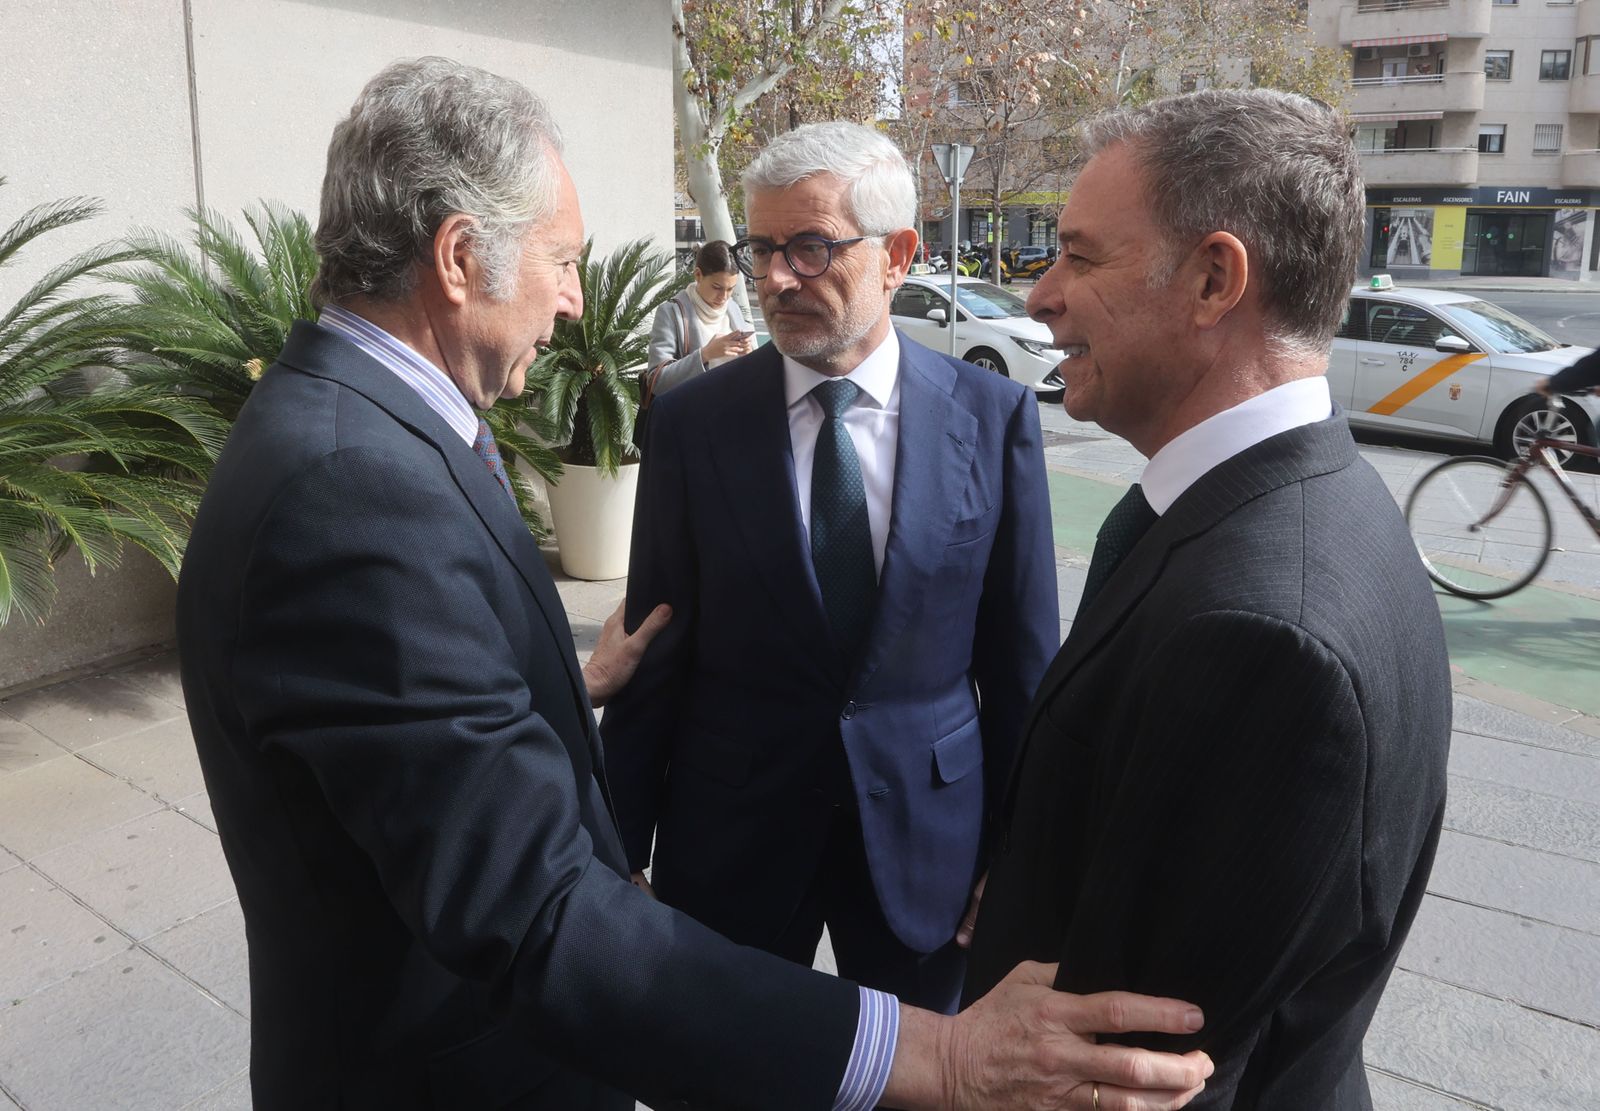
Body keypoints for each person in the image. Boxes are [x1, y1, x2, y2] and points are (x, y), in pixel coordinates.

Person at [175, 57, 1216, 1111]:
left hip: (914, 856)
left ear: (897, 255)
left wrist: (565, 685)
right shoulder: (358, 484)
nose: (577, 302)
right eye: (561, 261)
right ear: (456, 258)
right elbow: (528, 905)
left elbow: (407, 710)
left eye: (806, 246)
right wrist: (938, 1058)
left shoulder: (363, 445)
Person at [962, 88, 1454, 1109]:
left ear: (1212, 279)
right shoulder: (1285, 508)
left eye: (1080, 257)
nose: (1038, 296)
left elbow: (1127, 1069)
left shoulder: (1262, 631)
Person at [601, 121, 1059, 1016]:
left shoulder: (992, 417)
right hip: (732, 835)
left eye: (810, 247)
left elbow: (1020, 667)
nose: (774, 279)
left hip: (931, 843)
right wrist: (614, 849)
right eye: (762, 248)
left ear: (898, 255)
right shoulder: (694, 424)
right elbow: (652, 643)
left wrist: (1019, 856)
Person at [645, 240, 755, 400]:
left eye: (730, 289)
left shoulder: (732, 308)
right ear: (698, 275)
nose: (724, 297)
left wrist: (749, 354)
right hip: (693, 416)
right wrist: (705, 354)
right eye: (717, 287)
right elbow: (657, 380)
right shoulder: (671, 313)